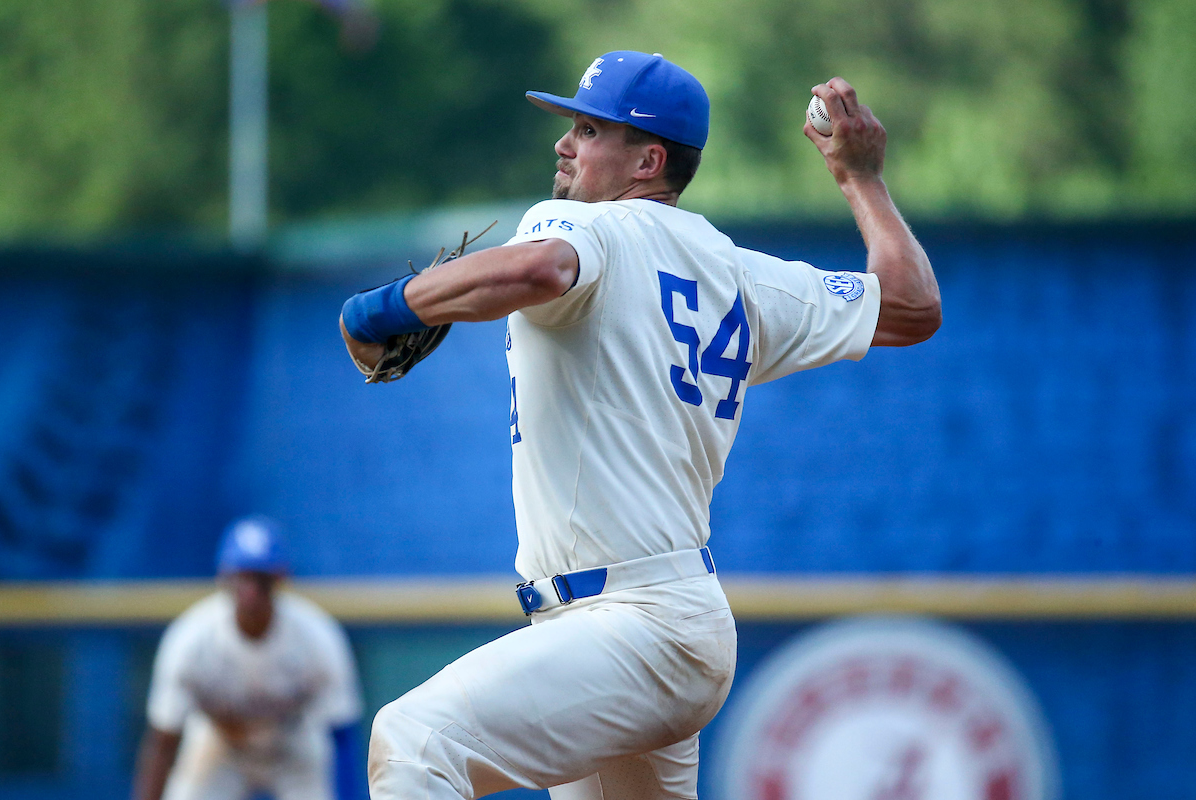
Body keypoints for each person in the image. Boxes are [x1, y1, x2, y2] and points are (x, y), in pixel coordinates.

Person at [339, 51, 940, 800]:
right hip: (654, 627)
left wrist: (385, 306)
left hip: (631, 626)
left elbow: (540, 270)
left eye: (589, 130)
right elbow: (912, 307)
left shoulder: (592, 227)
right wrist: (862, 178)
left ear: (648, 159)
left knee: (415, 741)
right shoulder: (740, 273)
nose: (564, 143)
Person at [131, 516, 365, 800]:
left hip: (293, 747)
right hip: (221, 747)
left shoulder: (317, 636)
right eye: (243, 576)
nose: (251, 590)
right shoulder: (191, 639)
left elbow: (341, 736)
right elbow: (163, 741)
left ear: (280, 578)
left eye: (261, 578)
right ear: (224, 577)